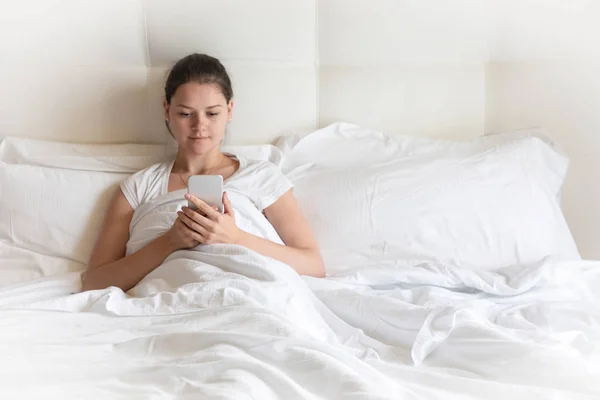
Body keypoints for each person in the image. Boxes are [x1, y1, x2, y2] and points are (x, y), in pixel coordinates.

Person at [82, 53, 325, 292]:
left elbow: (313, 265)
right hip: (164, 300)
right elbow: (95, 282)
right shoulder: (138, 188)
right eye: (186, 114)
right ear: (167, 111)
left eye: (212, 113)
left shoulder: (261, 177)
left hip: (248, 296)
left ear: (229, 110)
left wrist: (235, 237)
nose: (200, 126)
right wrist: (170, 242)